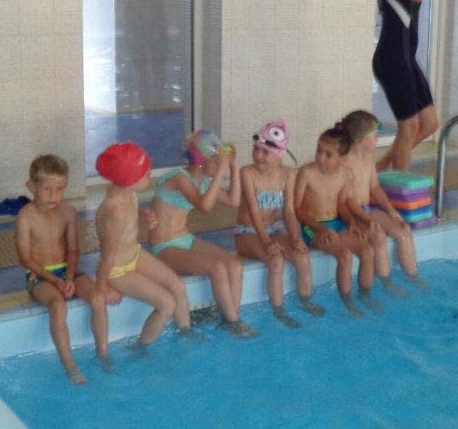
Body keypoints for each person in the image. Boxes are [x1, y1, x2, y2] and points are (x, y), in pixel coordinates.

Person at [149, 129, 258, 338]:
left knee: (235, 266)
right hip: (165, 247)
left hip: (185, 239)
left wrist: (233, 166)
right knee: (217, 269)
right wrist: (221, 170)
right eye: (216, 161)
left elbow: (234, 201)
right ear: (201, 160)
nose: (220, 165)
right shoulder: (179, 178)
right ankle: (234, 322)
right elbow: (205, 207)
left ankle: (230, 318)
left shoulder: (205, 181)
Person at [95, 142, 204, 349]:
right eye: (145, 173)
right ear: (129, 179)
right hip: (118, 271)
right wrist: (103, 287)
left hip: (135, 254)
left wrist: (142, 215)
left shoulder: (128, 192)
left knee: (178, 286)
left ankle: (186, 333)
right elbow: (107, 257)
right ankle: (141, 348)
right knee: (167, 304)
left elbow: (128, 219)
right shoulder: (114, 212)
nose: (150, 174)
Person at [15, 154, 112, 385]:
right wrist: (55, 281)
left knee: (98, 297)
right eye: (47, 189)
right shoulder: (25, 218)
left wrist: (68, 277)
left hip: (66, 271)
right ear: (31, 187)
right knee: (58, 306)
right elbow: (25, 259)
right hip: (39, 276)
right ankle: (70, 366)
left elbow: (73, 250)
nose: (54, 195)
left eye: (59, 189)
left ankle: (102, 353)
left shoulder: (68, 212)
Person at [374, 0, 452, 171]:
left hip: (407, 58)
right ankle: (398, 183)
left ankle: (380, 168)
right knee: (408, 127)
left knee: (429, 124)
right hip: (392, 58)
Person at [234, 120, 325, 327]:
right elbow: (254, 212)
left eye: (265, 152)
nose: (258, 155)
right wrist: (266, 242)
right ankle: (278, 310)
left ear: (279, 154)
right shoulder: (247, 173)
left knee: (301, 256)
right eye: (256, 149)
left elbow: (289, 212)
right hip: (246, 232)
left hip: (272, 229)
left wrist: (294, 238)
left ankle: (305, 301)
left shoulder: (288, 175)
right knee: (276, 261)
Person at [294, 126, 383, 317]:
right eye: (319, 150)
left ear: (342, 158)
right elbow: (297, 209)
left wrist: (351, 222)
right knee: (345, 255)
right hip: (312, 227)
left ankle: (365, 295)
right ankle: (347, 302)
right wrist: (320, 229)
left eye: (328, 154)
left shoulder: (345, 175)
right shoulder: (306, 172)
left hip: (336, 223)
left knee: (368, 251)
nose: (321, 157)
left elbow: (342, 205)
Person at [342, 110, 429, 293]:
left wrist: (390, 210)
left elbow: (375, 187)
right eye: (375, 135)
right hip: (352, 214)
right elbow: (347, 200)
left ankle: (413, 277)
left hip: (367, 209)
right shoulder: (345, 162)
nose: (377, 138)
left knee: (403, 229)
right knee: (378, 236)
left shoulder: (369, 157)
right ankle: (387, 283)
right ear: (362, 139)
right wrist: (367, 221)